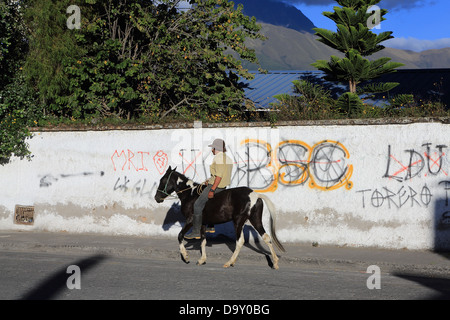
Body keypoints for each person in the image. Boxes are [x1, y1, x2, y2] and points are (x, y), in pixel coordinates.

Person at [184, 138, 233, 240]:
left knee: (197, 204)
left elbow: (219, 176)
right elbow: (220, 175)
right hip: (223, 186)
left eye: (213, 148)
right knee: (208, 202)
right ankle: (210, 226)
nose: (212, 150)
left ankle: (196, 231)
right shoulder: (227, 158)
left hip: (216, 186)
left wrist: (212, 189)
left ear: (216, 148)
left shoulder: (218, 158)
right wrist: (209, 180)